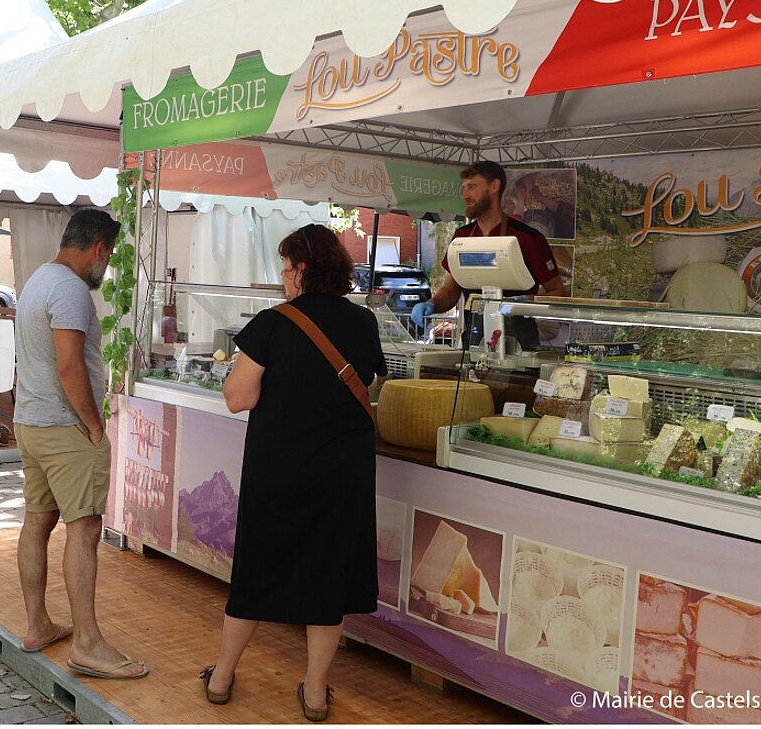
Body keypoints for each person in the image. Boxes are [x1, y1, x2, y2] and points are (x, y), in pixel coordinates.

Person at [200, 223, 385, 722]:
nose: (283, 277)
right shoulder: (363, 321)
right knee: (329, 580)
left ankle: (221, 677)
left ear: (302, 269)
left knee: (257, 573)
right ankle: (316, 693)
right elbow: (370, 382)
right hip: (343, 472)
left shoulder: (272, 323)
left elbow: (238, 398)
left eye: (285, 267)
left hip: (279, 469)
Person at [13, 209, 147, 681]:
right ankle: (87, 644)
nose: (106, 265)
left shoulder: (39, 279)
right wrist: (93, 424)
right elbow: (69, 365)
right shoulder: (70, 289)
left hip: (31, 421)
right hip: (64, 428)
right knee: (85, 529)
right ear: (98, 248)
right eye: (108, 255)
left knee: (37, 521)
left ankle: (38, 625)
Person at [411, 160, 567, 345]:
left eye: (472, 187)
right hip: (474, 340)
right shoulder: (462, 237)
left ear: (494, 186)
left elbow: (558, 293)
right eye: (464, 188)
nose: (465, 195)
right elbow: (450, 290)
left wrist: (526, 301)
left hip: (519, 343)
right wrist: (431, 304)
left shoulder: (528, 238)